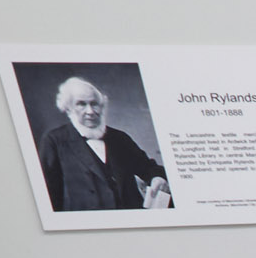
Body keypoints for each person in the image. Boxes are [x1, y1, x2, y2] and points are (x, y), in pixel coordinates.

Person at [38, 75, 172, 213]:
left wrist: (157, 177)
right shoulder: (55, 140)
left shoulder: (120, 138)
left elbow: (148, 167)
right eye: (81, 104)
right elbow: (48, 193)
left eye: (94, 104)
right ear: (69, 108)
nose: (90, 111)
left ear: (102, 107)